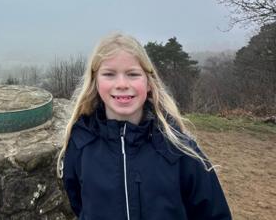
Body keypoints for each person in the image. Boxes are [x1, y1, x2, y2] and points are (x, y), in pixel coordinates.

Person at [57, 33, 232, 220]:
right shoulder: (80, 143)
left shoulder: (179, 148)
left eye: (133, 74)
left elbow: (214, 214)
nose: (122, 84)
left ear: (149, 82)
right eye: (109, 74)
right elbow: (79, 203)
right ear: (95, 82)